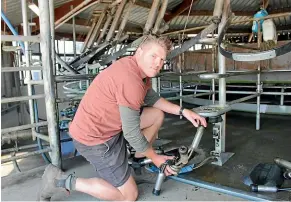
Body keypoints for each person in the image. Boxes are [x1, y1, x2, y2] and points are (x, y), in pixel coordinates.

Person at [38, 35, 207, 201]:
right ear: (140, 51)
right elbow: (132, 133)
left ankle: (138, 157)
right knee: (129, 196)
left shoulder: (134, 66)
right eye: (154, 56)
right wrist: (156, 159)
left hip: (109, 128)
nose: (158, 63)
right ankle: (60, 180)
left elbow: (151, 97)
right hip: (96, 140)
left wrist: (183, 111)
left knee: (156, 115)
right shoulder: (130, 80)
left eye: (162, 60)